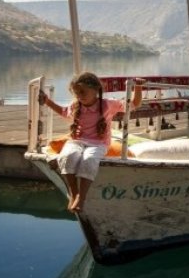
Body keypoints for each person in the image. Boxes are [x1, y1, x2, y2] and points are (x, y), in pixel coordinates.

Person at [39, 72, 142, 212]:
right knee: (67, 156)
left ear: (95, 89)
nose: (79, 96)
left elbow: (133, 104)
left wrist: (138, 88)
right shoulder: (76, 106)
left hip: (98, 143)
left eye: (82, 91)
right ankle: (73, 193)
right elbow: (64, 112)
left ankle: (81, 197)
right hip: (76, 141)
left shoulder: (107, 105)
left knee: (88, 159)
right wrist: (47, 102)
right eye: (76, 93)